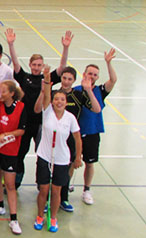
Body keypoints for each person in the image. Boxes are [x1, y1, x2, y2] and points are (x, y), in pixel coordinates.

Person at [7, 28, 70, 189]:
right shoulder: (24, 77)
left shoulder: (46, 78)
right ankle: (17, 180)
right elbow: (15, 63)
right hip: (25, 123)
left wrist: (65, 48)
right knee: (20, 153)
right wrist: (11, 44)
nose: (36, 67)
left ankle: (41, 183)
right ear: (30, 64)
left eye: (39, 65)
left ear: (43, 66)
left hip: (42, 123)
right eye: (34, 64)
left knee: (43, 154)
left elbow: (62, 67)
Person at [38, 67, 100, 212]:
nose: (66, 81)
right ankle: (46, 201)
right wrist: (46, 81)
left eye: (69, 79)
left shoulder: (78, 96)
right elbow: (44, 100)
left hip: (68, 139)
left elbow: (96, 109)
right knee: (46, 176)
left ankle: (63, 198)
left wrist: (89, 90)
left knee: (66, 171)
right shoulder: (52, 99)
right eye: (64, 78)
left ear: (74, 80)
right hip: (51, 139)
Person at [33, 66, 82, 233]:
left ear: (66, 102)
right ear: (52, 101)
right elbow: (46, 93)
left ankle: (53, 218)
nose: (59, 102)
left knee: (56, 191)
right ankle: (40, 216)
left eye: (62, 99)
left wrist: (78, 158)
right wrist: (46, 79)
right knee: (44, 190)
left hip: (62, 158)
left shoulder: (71, 118)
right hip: (45, 156)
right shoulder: (47, 113)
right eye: (56, 99)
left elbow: (77, 138)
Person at [74, 48, 117, 205]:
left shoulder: (100, 91)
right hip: (76, 133)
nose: (91, 76)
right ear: (84, 74)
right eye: (89, 73)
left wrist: (108, 62)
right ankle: (65, 188)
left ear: (97, 77)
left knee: (89, 163)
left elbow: (113, 80)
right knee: (72, 161)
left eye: (94, 74)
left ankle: (86, 190)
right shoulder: (75, 91)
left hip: (92, 132)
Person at [0, 80, 27, 235]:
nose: (0, 93)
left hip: (10, 149)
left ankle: (14, 219)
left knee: (9, 184)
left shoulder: (21, 108)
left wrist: (6, 135)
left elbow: (21, 131)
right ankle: (0, 206)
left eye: (3, 91)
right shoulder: (0, 105)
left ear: (12, 93)